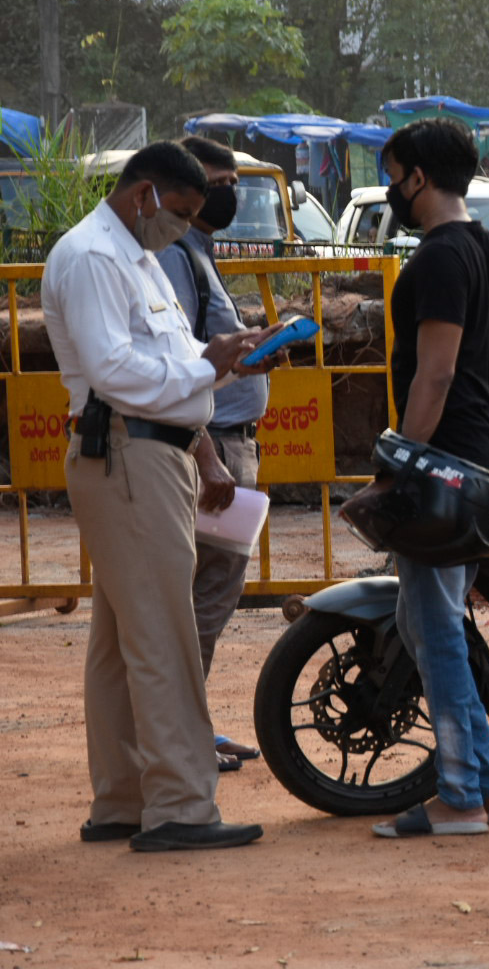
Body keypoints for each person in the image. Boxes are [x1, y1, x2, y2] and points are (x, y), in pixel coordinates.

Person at [42, 141, 269, 851]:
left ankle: (123, 799)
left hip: (147, 452)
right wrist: (208, 364)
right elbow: (114, 370)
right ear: (144, 194)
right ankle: (179, 808)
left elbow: (169, 367)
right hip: (128, 456)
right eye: (179, 211)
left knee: (120, 641)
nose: (183, 225)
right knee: (164, 637)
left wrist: (227, 365)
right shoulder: (93, 258)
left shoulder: (133, 257)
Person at [362, 118, 489, 839]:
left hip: (445, 465)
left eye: (394, 174)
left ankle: (459, 796)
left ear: (418, 178)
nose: (391, 189)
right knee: (432, 626)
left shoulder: (437, 261)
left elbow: (437, 372)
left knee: (435, 627)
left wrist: (400, 463)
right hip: (485, 458)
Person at [154, 136, 271, 774]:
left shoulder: (198, 253)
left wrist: (255, 350)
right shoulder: (176, 257)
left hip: (228, 444)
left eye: (231, 183)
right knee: (202, 598)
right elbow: (176, 367)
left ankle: (188, 725)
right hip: (214, 450)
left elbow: (207, 350)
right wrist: (207, 457)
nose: (228, 195)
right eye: (219, 183)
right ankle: (180, 737)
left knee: (211, 595)